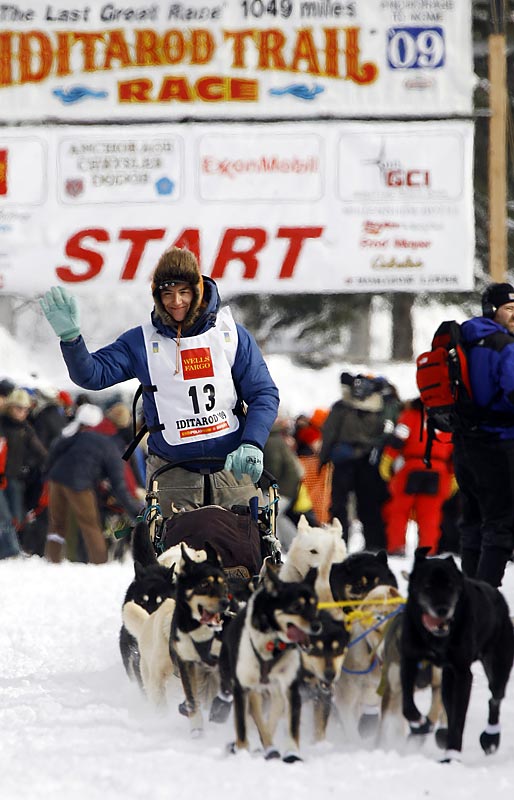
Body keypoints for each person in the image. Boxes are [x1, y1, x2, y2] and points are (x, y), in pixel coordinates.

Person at [40, 247, 279, 516]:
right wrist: (72, 340)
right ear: (156, 295)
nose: (176, 301)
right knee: (171, 558)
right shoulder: (142, 342)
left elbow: (263, 394)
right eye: (167, 293)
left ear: (197, 290)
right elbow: (92, 375)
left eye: (184, 292)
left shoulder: (231, 335)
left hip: (233, 471)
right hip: (173, 476)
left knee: (245, 553)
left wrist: (253, 442)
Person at [450, 282, 514, 587]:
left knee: (472, 520)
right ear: (492, 310)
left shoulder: (462, 339)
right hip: (498, 443)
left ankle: (467, 589)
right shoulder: (506, 346)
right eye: (509, 309)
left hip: (464, 444)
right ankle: (484, 596)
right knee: (500, 523)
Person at [44, 404, 141, 564]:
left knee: (57, 523)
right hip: (79, 485)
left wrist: (46, 472)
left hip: (56, 479)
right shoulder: (112, 448)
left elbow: (57, 447)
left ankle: (52, 560)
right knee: (90, 524)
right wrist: (135, 512)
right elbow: (119, 486)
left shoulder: (83, 433)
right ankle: (100, 562)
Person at [318, 371, 388, 549]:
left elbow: (330, 433)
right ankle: (374, 544)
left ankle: (339, 543)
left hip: (343, 460)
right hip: (368, 461)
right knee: (368, 504)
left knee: (339, 504)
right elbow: (384, 435)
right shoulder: (380, 409)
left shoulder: (341, 407)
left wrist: (323, 458)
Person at [379, 397, 455, 555]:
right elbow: (455, 451)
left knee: (399, 511)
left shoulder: (411, 415)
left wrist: (387, 461)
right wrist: (454, 476)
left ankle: (396, 547)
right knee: (431, 515)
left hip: (412, 467)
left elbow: (398, 440)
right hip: (438, 470)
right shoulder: (448, 420)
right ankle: (428, 550)